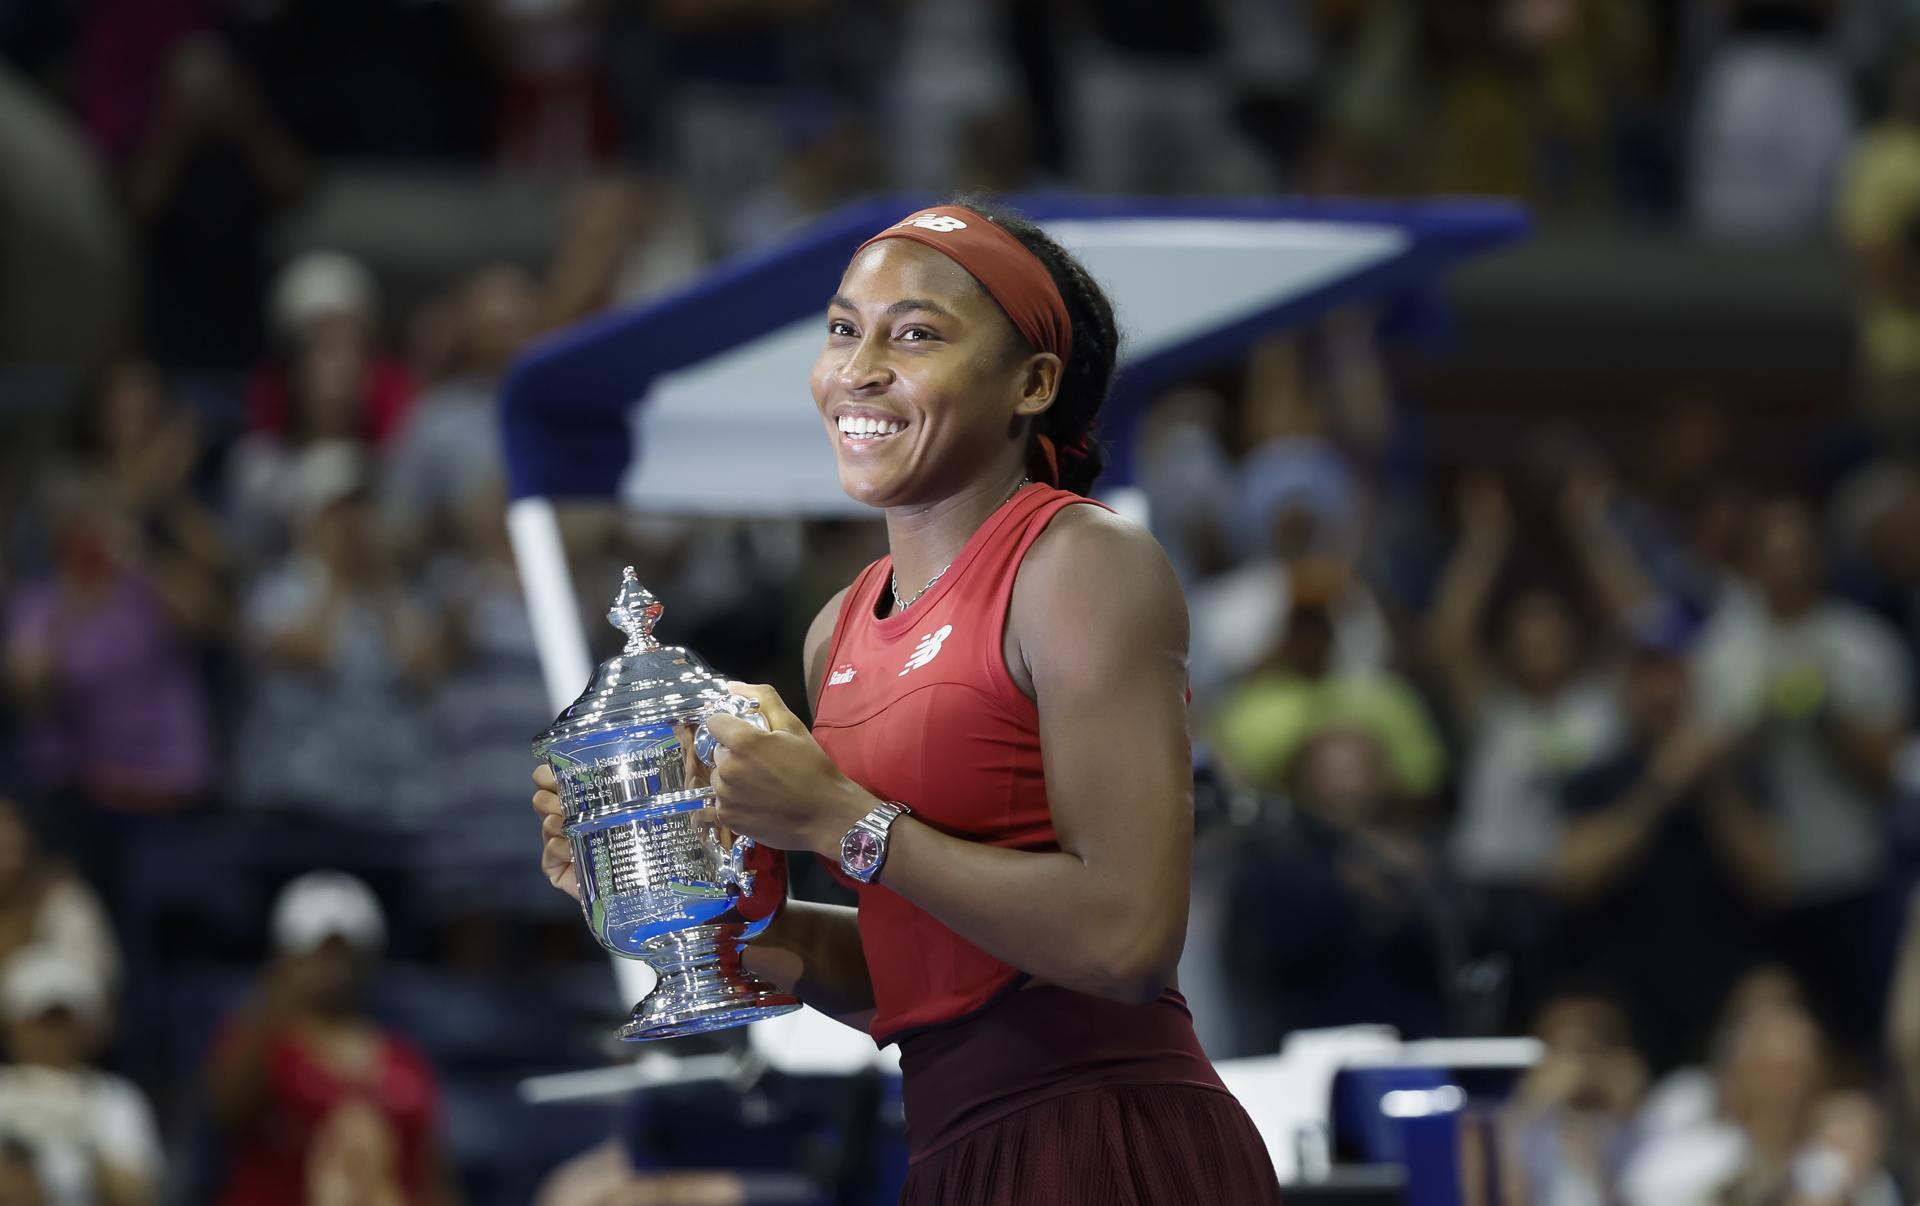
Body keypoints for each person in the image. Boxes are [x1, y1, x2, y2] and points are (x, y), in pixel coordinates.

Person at [532, 201, 1282, 1203]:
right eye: (844, 328)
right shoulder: (836, 629)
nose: (860, 367)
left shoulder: (1083, 563)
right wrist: (668, 895)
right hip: (950, 1154)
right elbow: (915, 978)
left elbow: (1126, 940)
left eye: (916, 334)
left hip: (1107, 1140)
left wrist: (837, 818)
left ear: (1033, 383)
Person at [205, 871, 452, 1206]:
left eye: (345, 953)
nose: (333, 967)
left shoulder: (405, 1060)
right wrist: (276, 994)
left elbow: (433, 1176)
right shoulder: (263, 1042)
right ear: (288, 957)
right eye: (318, 951)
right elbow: (225, 1110)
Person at [0, 947, 164, 1206]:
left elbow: (140, 1195)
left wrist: (86, 1147)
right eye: (40, 1020)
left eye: (62, 1021)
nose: (51, 1035)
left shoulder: (116, 1098)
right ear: (13, 1025)